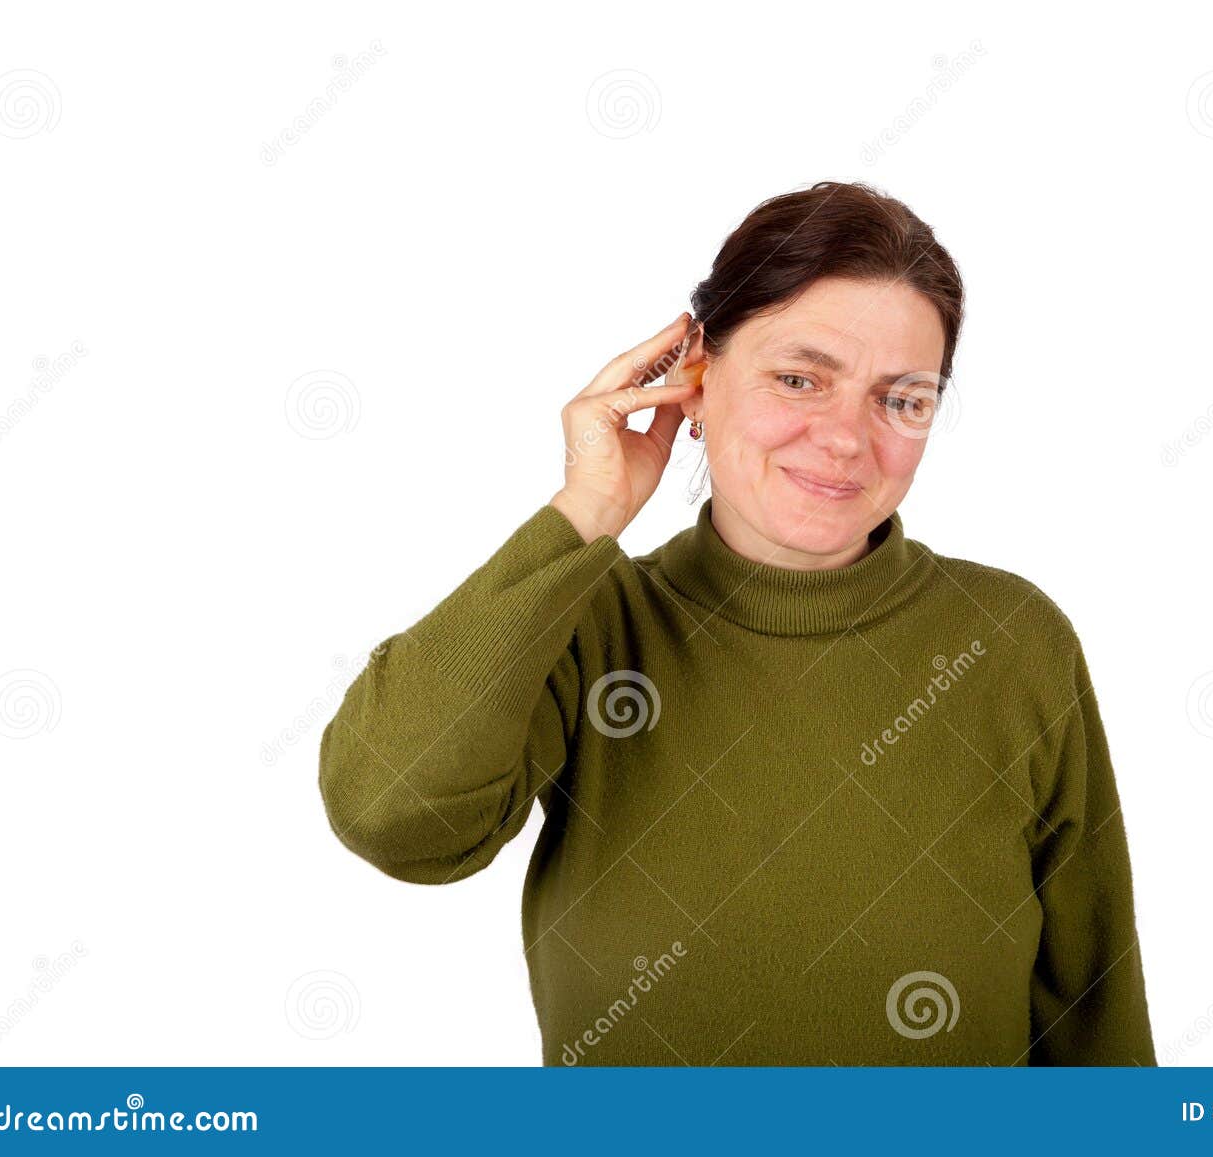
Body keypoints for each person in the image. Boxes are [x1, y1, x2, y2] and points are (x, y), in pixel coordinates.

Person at [318, 180, 1156, 1066]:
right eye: (800, 378)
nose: (845, 438)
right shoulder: (586, 621)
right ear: (699, 376)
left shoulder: (1013, 640)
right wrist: (588, 507)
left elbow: (1095, 1016)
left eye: (901, 399)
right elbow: (390, 812)